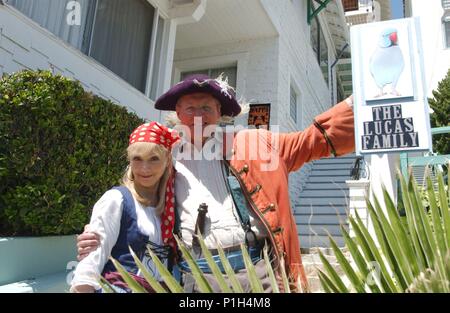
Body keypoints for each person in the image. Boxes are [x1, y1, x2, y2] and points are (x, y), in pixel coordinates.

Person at [77, 74, 355, 292]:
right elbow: (136, 200)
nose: (198, 115)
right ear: (177, 112)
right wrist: (99, 235)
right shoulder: (163, 154)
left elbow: (312, 142)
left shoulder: (254, 143)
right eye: (190, 108)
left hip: (255, 272)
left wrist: (361, 102)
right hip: (194, 279)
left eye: (207, 107)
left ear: (220, 112)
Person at [70, 121, 180, 293]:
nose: (145, 168)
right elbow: (91, 262)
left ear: (167, 161)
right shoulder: (116, 199)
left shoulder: (171, 208)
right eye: (138, 159)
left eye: (154, 159)